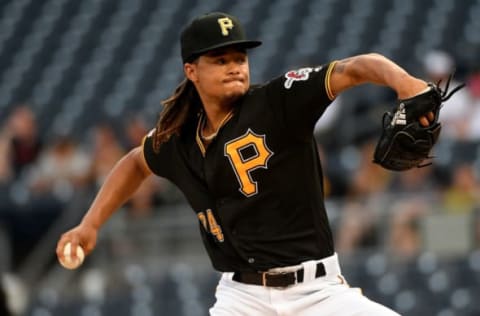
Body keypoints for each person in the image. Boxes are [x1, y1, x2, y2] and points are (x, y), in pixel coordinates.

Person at [57, 12, 435, 315]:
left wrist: (404, 82)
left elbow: (353, 68)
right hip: (242, 299)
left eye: (240, 58)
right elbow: (136, 162)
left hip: (318, 294)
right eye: (220, 60)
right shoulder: (179, 139)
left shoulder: (277, 101)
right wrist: (89, 225)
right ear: (192, 71)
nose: (235, 66)